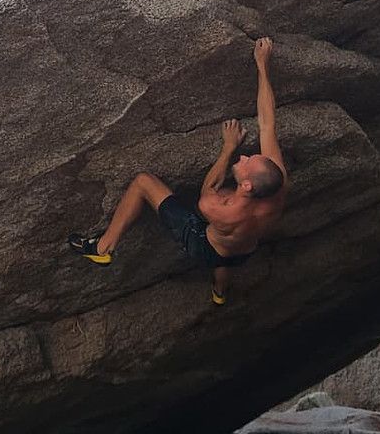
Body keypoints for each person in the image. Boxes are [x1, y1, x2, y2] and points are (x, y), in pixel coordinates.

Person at [68, 37, 287, 306]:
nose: (245, 156)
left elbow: (209, 187)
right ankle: (219, 292)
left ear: (247, 186)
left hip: (203, 245)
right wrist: (263, 65)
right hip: (243, 250)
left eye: (247, 161)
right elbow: (267, 122)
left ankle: (104, 247)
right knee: (228, 256)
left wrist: (228, 149)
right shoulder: (276, 184)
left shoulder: (216, 208)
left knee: (143, 182)